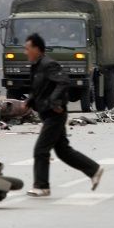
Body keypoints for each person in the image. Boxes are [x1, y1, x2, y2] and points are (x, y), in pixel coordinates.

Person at [23, 33, 103, 197]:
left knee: (41, 150)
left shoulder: (49, 64)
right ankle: (94, 170)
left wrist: (54, 102)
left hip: (55, 113)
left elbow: (63, 82)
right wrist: (29, 102)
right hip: (46, 113)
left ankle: (41, 186)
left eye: (28, 49)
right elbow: (39, 90)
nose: (26, 52)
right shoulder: (36, 66)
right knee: (63, 151)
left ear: (37, 49)